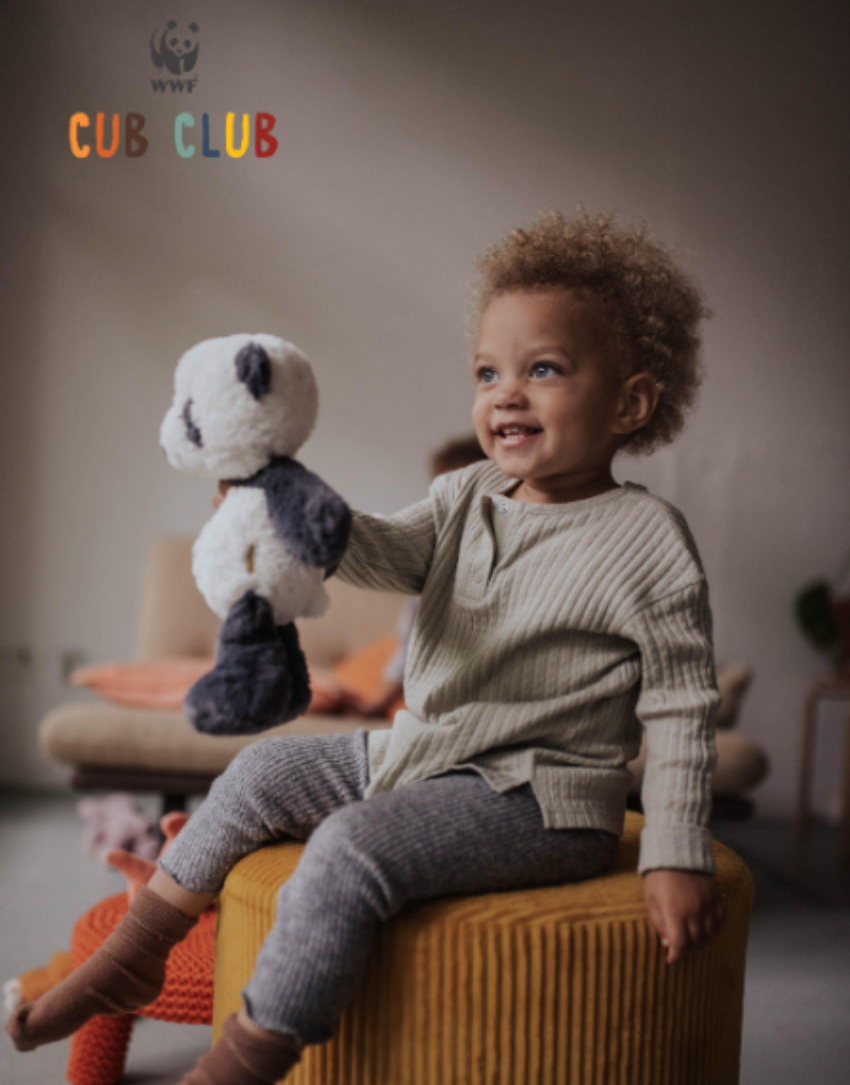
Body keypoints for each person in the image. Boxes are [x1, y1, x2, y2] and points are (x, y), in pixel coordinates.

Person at [7, 209, 726, 1085]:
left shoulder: (645, 538)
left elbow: (684, 706)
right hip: (426, 751)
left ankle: (240, 1062)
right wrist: (287, 513)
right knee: (262, 773)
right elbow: (384, 549)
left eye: (544, 369)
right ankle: (134, 955)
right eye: (488, 371)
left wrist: (677, 849)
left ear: (631, 402)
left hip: (541, 796)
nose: (506, 393)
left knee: (351, 846)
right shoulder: (467, 492)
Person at [358, 433, 488, 720]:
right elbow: (409, 645)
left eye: (466, 491)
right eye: (442, 491)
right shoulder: (432, 559)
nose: (452, 503)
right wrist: (379, 703)